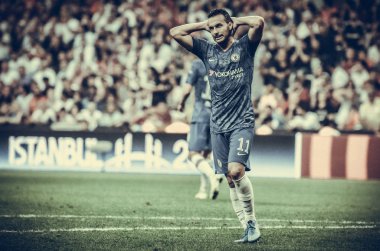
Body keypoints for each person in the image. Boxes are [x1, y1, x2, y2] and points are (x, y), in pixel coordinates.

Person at [170, 9, 264, 243]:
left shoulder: (245, 47)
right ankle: (247, 228)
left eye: (219, 27)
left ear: (230, 26)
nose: (215, 32)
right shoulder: (206, 50)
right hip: (217, 124)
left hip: (241, 121)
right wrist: (204, 24)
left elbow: (258, 22)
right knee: (230, 179)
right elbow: (175, 32)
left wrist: (233, 22)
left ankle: (252, 221)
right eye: (212, 29)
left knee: (235, 171)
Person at [178, 58, 221, 200]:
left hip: (201, 113)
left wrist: (181, 103)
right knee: (207, 155)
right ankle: (203, 190)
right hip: (217, 115)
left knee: (193, 153)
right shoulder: (223, 63)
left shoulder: (197, 64)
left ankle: (212, 176)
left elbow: (187, 89)